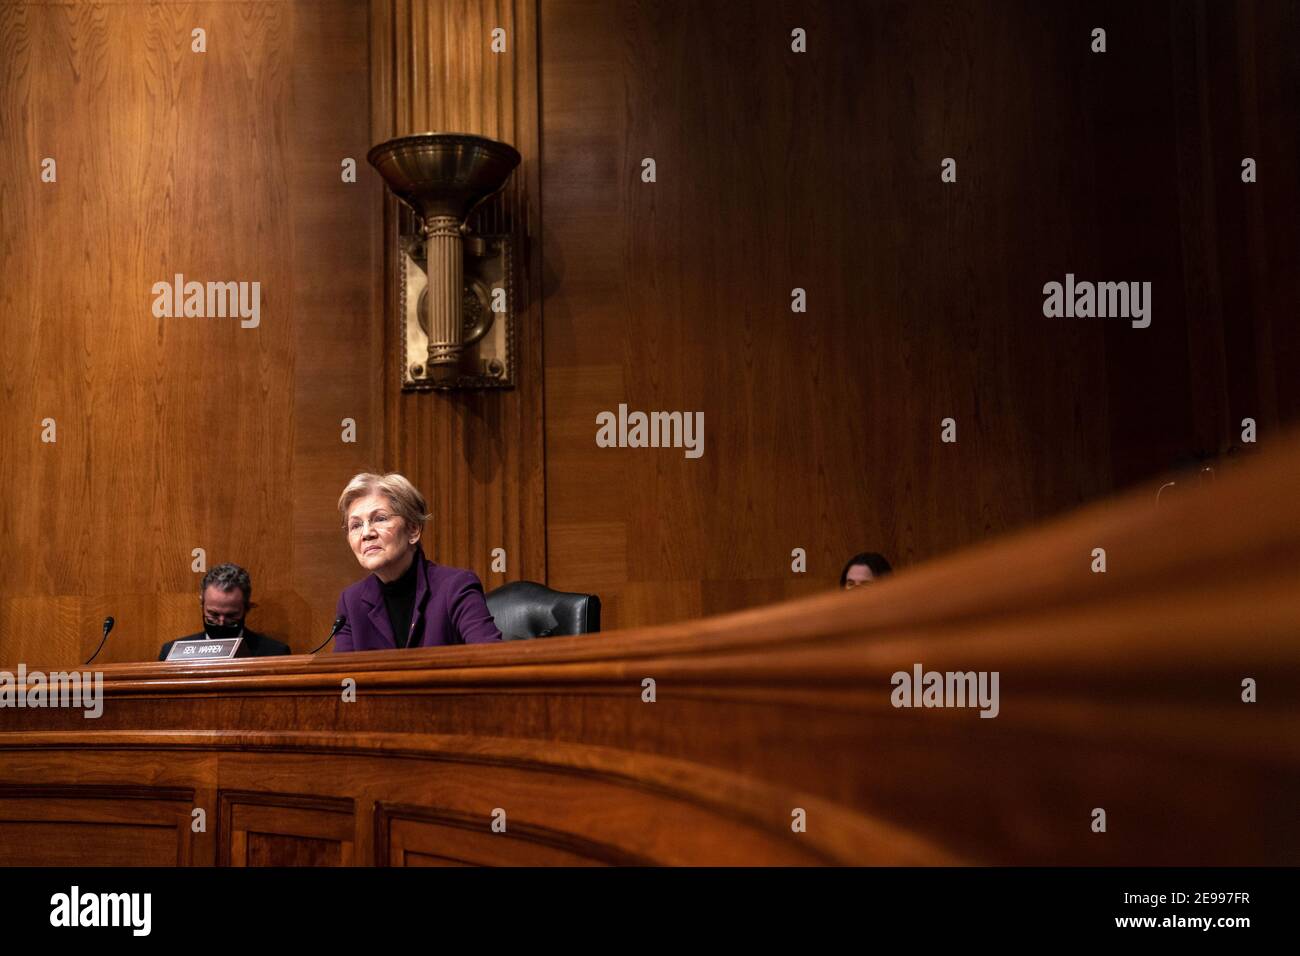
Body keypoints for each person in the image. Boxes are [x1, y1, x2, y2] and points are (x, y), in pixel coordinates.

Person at [332, 472, 502, 651]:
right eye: (356, 525)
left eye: (380, 519)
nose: (366, 533)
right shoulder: (351, 602)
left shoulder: (456, 587)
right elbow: (343, 675)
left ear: (413, 530)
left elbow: (492, 660)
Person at [159, 563, 291, 659]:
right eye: (213, 614)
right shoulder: (172, 653)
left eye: (231, 615)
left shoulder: (275, 653)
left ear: (246, 608)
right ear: (202, 604)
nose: (221, 623)